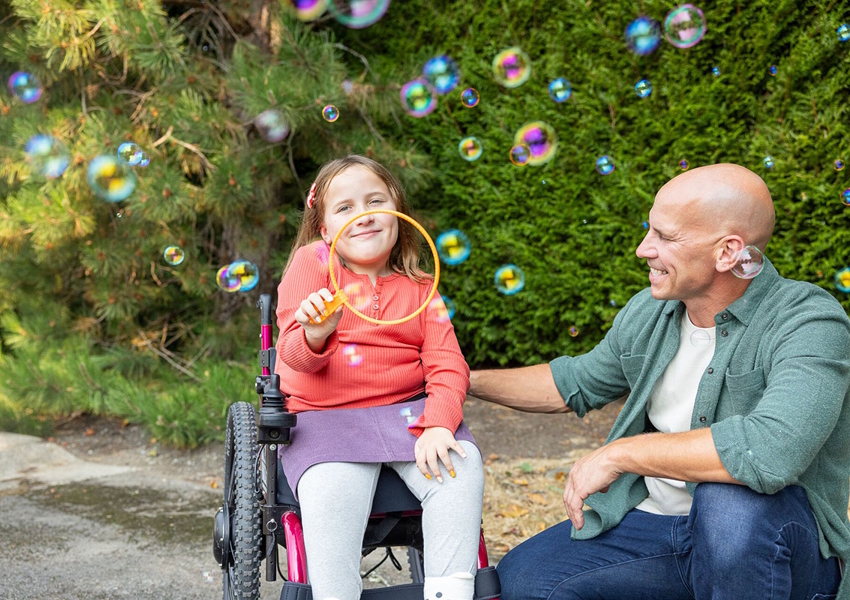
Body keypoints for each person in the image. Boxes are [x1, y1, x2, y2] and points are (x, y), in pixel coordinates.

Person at [469, 163, 850, 599]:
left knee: (728, 505)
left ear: (728, 253)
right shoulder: (650, 311)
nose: (642, 249)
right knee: (526, 578)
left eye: (664, 237)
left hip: (775, 548)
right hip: (662, 528)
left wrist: (622, 454)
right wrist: (465, 380)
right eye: (649, 231)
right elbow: (576, 382)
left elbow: (768, 451)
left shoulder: (809, 320)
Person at [275, 155, 485, 600]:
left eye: (375, 201)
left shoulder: (420, 288)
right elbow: (293, 359)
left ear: (397, 213)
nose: (364, 215)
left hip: (407, 415)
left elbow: (448, 365)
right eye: (345, 207)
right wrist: (313, 334)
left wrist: (439, 423)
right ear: (324, 229)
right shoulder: (312, 266)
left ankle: (451, 592)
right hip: (325, 419)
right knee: (331, 491)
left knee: (460, 467)